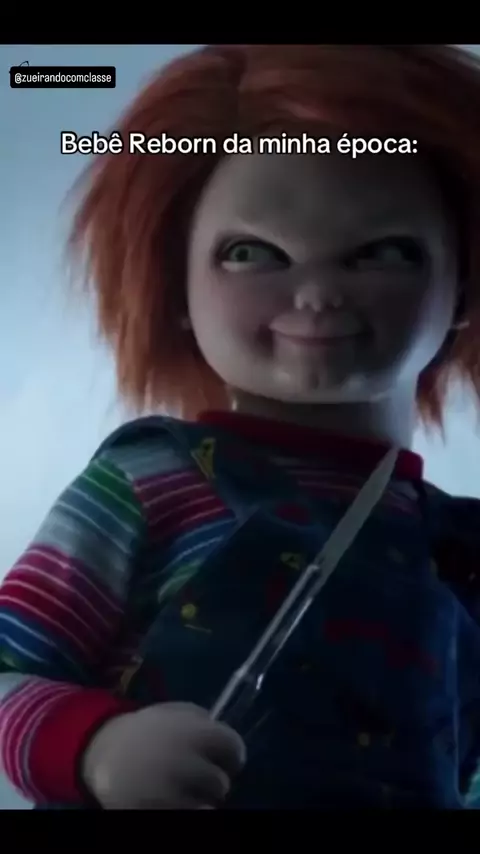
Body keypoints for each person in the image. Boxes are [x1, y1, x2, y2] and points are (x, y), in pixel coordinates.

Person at [1, 44, 480, 810]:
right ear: (174, 287)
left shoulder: (458, 550)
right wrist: (93, 746)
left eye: (384, 252)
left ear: (464, 287)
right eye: (251, 252)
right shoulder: (150, 482)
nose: (317, 295)